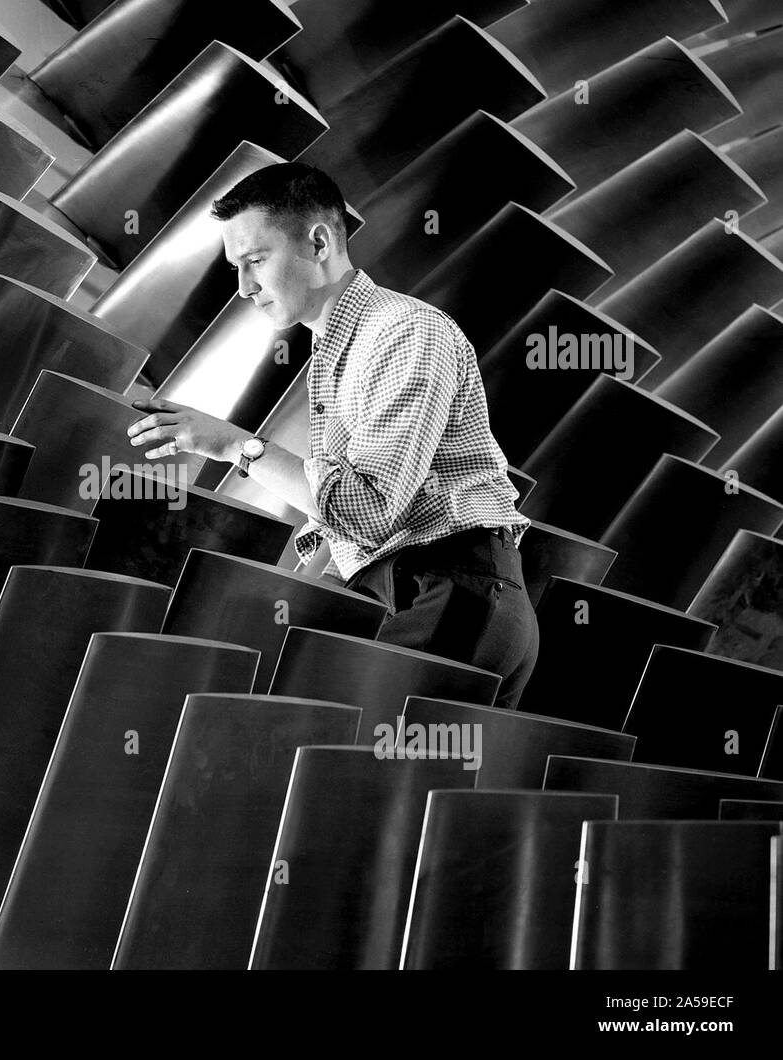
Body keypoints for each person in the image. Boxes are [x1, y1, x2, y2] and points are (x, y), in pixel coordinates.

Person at [126, 162, 538, 709]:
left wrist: (235, 446)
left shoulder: (403, 331)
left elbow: (368, 509)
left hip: (447, 593)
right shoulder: (339, 348)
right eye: (236, 268)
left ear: (319, 241)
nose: (244, 288)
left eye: (255, 261)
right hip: (430, 595)